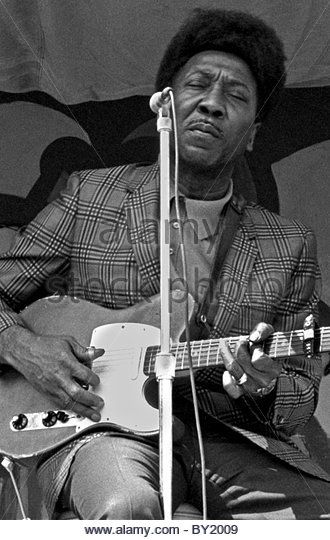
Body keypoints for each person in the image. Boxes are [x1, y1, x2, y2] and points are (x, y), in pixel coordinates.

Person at [0, 8, 330, 520]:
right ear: (163, 107)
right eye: (198, 85)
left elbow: (300, 394)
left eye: (237, 97)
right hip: (98, 429)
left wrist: (263, 384)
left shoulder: (288, 244)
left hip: (222, 436)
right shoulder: (91, 194)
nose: (213, 105)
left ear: (252, 134)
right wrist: (23, 346)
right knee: (127, 507)